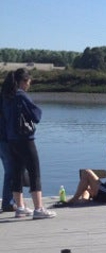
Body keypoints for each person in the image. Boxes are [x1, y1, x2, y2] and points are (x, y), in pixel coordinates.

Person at [0, 68, 55, 219]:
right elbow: (36, 115)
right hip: (25, 139)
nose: (28, 85)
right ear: (22, 81)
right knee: (34, 171)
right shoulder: (20, 95)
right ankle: (39, 208)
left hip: (11, 140)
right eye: (28, 82)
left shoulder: (6, 96)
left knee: (17, 172)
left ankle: (20, 207)